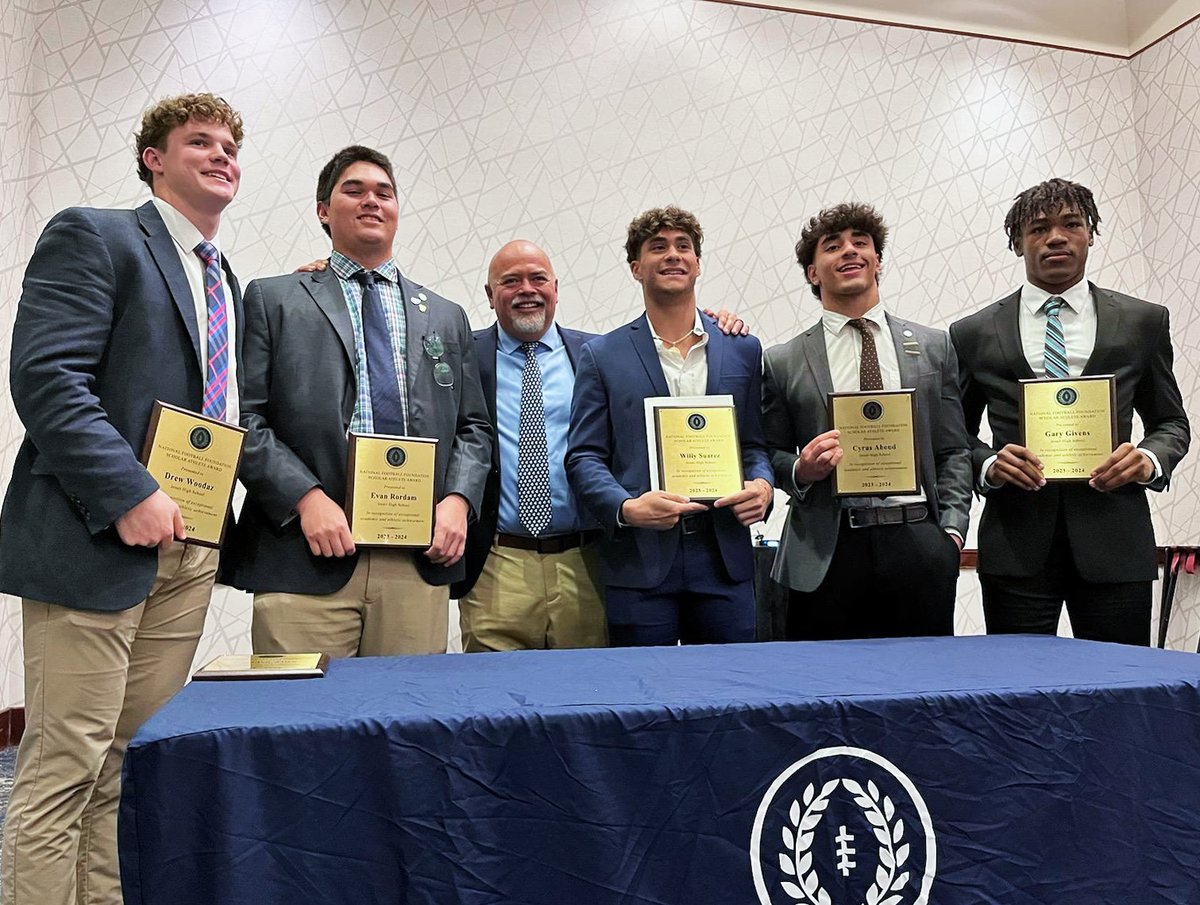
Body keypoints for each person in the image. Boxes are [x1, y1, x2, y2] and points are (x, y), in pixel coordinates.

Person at [0, 92, 244, 905]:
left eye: (231, 146)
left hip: (190, 547)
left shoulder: (222, 277)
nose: (221, 155)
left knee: (124, 757)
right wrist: (128, 490)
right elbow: (46, 378)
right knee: (65, 759)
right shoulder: (96, 234)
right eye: (199, 141)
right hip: (96, 535)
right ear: (154, 158)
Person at [222, 145, 491, 657]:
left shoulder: (444, 314)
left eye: (384, 192)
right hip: (306, 551)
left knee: (405, 726)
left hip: (417, 559)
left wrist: (458, 501)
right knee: (298, 726)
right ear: (324, 210)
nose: (372, 200)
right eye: (354, 190)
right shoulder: (275, 298)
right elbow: (244, 417)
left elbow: (474, 428)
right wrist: (306, 498)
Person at [454, 239, 752, 652]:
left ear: (556, 289)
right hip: (498, 561)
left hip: (587, 560)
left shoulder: (602, 354)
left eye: (538, 278)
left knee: (588, 701)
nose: (527, 289)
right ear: (490, 295)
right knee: (497, 701)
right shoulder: (464, 357)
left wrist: (718, 323)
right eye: (510, 281)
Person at [950, 178, 1190, 645]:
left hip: (1116, 540)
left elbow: (1171, 422)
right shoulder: (973, 332)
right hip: (1015, 544)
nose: (1056, 237)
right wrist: (990, 464)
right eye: (1039, 228)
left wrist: (1149, 459)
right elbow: (953, 434)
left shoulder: (1143, 321)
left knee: (1121, 689)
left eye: (1071, 224)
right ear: (1017, 242)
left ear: (1090, 234)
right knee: (1018, 693)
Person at [761, 202, 972, 640]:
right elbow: (767, 453)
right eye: (832, 246)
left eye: (862, 243)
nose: (849, 251)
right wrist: (801, 469)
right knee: (825, 693)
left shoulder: (934, 347)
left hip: (917, 540)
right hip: (826, 549)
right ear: (813, 273)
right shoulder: (782, 361)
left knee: (923, 693)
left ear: (877, 261)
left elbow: (954, 449)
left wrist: (950, 532)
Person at [566, 206, 773, 646]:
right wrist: (625, 508)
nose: (673, 255)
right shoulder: (602, 356)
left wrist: (763, 487)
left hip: (725, 558)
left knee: (730, 698)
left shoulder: (742, 349)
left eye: (684, 246)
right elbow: (584, 456)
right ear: (636, 268)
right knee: (645, 703)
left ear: (697, 263)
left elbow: (755, 445)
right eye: (657, 247)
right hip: (639, 561)